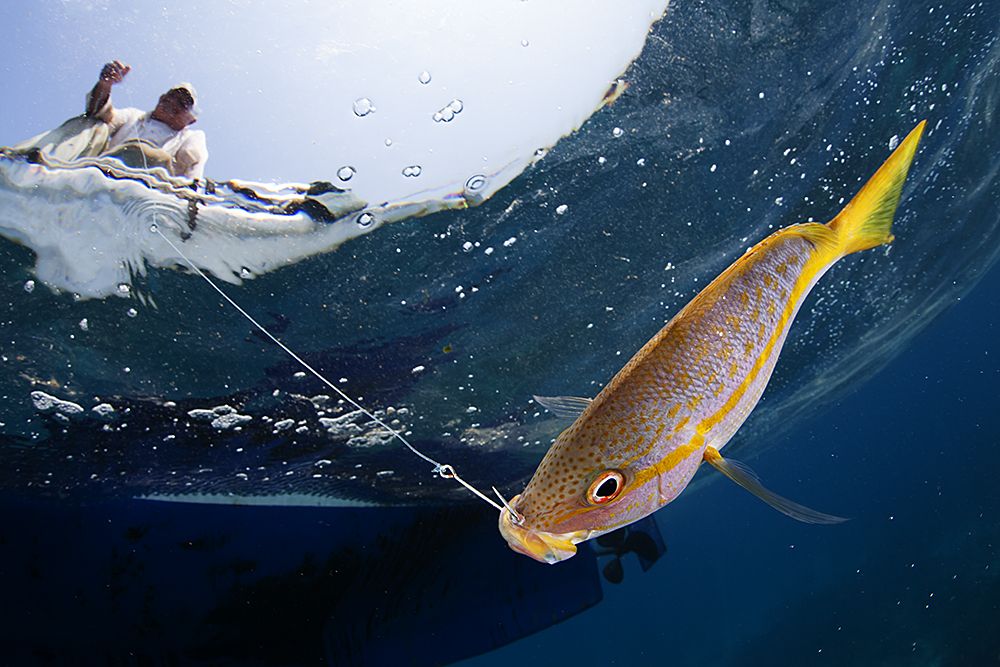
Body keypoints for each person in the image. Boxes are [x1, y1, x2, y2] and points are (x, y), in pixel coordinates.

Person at [84, 60, 208, 181]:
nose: (173, 102)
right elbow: (99, 113)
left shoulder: (191, 136)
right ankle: (69, 168)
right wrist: (105, 84)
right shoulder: (133, 115)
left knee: (150, 154)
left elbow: (194, 165)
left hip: (153, 187)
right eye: (170, 96)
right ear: (161, 98)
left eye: (182, 103)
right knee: (91, 124)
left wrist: (192, 192)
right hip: (107, 170)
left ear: (191, 120)